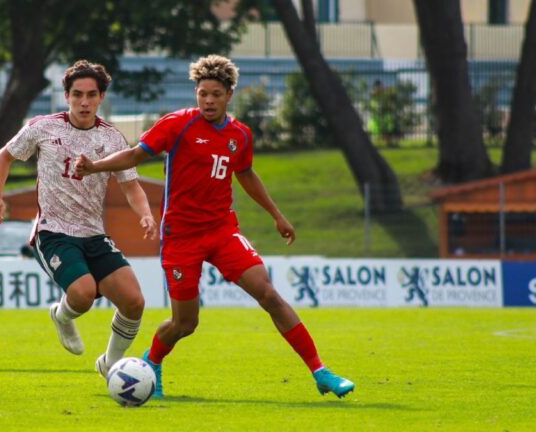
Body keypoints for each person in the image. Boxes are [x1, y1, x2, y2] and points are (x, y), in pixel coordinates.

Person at [75, 54, 355, 399]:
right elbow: (135, 155)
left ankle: (320, 372)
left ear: (229, 95)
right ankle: (153, 361)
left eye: (216, 95)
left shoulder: (240, 135)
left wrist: (276, 214)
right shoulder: (177, 124)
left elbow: (246, 173)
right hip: (181, 236)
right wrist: (95, 167)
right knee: (185, 324)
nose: (208, 100)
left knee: (268, 293)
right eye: (202, 93)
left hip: (223, 230)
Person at [0, 60, 156, 377]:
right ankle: (62, 316)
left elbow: (132, 186)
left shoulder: (112, 138)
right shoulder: (44, 127)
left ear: (101, 97)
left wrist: (145, 214)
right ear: (66, 96)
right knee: (83, 294)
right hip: (53, 231)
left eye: (92, 94)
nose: (84, 101)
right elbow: (4, 156)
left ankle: (108, 365)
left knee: (134, 302)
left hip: (93, 234)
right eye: (77, 94)